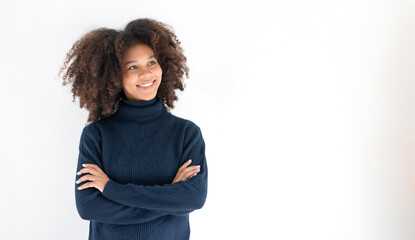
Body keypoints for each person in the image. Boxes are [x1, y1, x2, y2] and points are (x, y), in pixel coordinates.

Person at [58, 18, 208, 240]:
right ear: (114, 76)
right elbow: (89, 208)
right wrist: (171, 199)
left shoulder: (186, 133)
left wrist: (110, 189)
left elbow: (193, 198)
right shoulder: (96, 135)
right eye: (132, 67)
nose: (146, 74)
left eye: (151, 63)